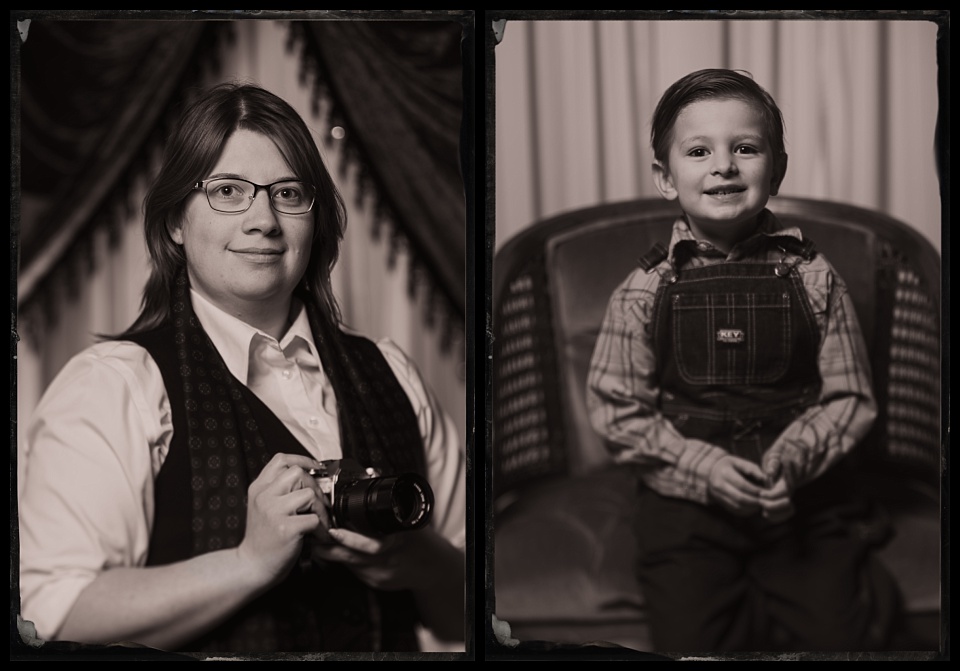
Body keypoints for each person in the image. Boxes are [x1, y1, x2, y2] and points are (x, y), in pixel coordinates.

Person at [18, 83, 465, 653]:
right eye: (228, 191)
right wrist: (247, 564)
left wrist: (427, 565)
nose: (264, 220)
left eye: (287, 192)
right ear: (176, 220)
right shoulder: (115, 385)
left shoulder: (392, 373)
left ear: (315, 218)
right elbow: (48, 612)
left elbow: (475, 619)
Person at [586, 69, 900, 652]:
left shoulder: (814, 275)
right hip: (687, 510)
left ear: (776, 169)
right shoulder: (644, 288)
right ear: (665, 176)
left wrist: (791, 463)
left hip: (797, 499)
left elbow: (850, 398)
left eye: (746, 149)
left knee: (843, 634)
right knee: (691, 641)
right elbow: (617, 412)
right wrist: (705, 468)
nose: (724, 166)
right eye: (700, 150)